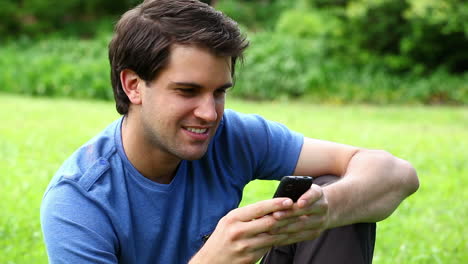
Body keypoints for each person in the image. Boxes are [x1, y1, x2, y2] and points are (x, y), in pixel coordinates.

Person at [40, 0, 419, 263]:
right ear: (133, 85)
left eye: (219, 92)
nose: (209, 113)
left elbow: (397, 174)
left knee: (332, 186)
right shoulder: (79, 201)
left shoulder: (232, 135)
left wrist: (324, 211)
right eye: (187, 91)